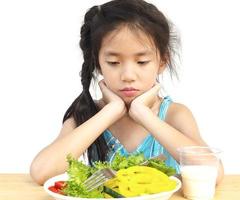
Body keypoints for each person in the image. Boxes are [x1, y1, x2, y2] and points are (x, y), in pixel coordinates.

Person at [30, 0, 224, 185]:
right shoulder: (87, 113)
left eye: (142, 62)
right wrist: (110, 111)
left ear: (162, 61)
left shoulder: (175, 115)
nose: (128, 76)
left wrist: (145, 115)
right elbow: (41, 172)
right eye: (113, 63)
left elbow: (213, 173)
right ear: (97, 63)